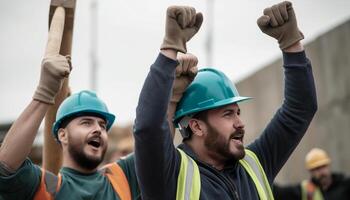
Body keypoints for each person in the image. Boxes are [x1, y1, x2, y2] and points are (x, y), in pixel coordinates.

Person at [134, 2, 317, 200]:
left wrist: (291, 43)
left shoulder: (255, 164)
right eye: (228, 114)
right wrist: (170, 50)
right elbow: (149, 128)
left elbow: (301, 108)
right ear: (196, 126)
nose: (240, 123)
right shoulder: (170, 176)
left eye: (237, 112)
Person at [0, 55, 139, 199]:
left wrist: (164, 56)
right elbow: (6, 166)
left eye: (103, 125)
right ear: (62, 135)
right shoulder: (48, 189)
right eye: (86, 123)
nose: (98, 129)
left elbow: (155, 133)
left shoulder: (122, 177)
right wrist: (44, 93)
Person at [273, 148, 350, 200]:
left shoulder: (345, 185)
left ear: (328, 165)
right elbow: (279, 192)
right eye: (316, 169)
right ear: (310, 171)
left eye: (323, 166)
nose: (321, 172)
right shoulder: (306, 190)